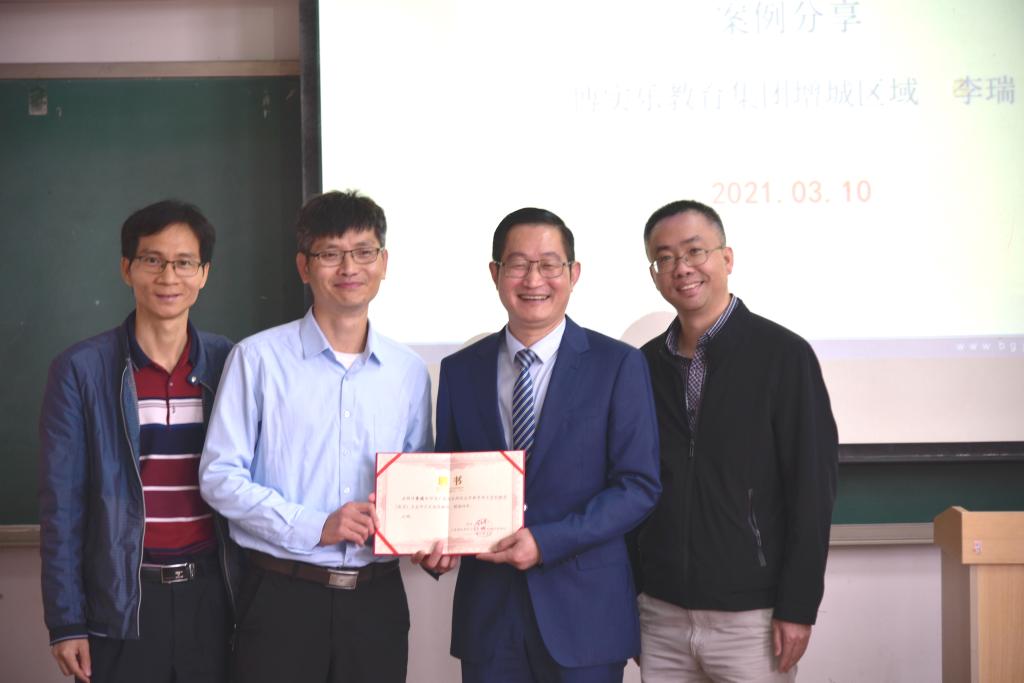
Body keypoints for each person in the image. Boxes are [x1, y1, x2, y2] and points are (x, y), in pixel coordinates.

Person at [198, 190, 432, 683]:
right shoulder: (257, 359)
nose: (349, 267)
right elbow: (220, 476)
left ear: (383, 262)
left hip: (377, 603)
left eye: (364, 252)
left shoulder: (409, 371)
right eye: (330, 253)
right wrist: (314, 526)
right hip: (282, 597)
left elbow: (416, 482)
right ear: (304, 266)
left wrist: (430, 534)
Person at [423, 207, 661, 682]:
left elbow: (639, 486)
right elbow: (448, 480)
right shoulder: (460, 370)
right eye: (518, 264)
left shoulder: (617, 365)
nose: (534, 279)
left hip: (585, 618)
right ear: (495, 273)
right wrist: (435, 540)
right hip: (489, 618)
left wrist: (546, 542)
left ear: (573, 273)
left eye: (550, 264)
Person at [631, 200, 838, 682]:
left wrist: (798, 605)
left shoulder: (783, 356)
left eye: (694, 251)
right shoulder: (642, 365)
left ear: (726, 258)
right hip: (660, 615)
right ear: (655, 276)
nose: (682, 268)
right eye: (665, 258)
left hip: (753, 618)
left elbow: (812, 490)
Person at [39, 200, 235, 683]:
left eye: (184, 262)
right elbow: (62, 507)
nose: (169, 277)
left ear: (204, 274)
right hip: (120, 601)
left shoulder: (231, 363)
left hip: (214, 596)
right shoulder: (81, 370)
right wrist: (66, 621)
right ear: (127, 268)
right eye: (152, 260)